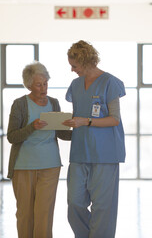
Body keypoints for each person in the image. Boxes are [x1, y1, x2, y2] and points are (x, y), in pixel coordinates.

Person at [63, 40, 126, 238]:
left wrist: (87, 121)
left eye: (75, 65)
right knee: (74, 203)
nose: (72, 70)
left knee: (103, 207)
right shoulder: (75, 85)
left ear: (86, 61)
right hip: (80, 152)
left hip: (105, 154)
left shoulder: (110, 82)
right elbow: (77, 118)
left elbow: (114, 119)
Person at [7, 61, 71, 238]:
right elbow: (12, 136)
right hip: (23, 166)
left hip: (50, 164)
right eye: (38, 84)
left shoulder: (54, 103)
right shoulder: (19, 104)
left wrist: (77, 129)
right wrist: (32, 127)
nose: (44, 88)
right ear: (29, 85)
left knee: (44, 213)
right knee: (25, 214)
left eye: (45, 83)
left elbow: (61, 134)